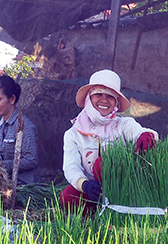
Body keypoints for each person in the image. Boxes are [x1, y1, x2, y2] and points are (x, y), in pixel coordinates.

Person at [60, 69, 158, 213]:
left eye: (110, 96)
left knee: (102, 164)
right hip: (94, 190)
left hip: (124, 188)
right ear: (89, 98)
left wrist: (146, 136)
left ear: (116, 101)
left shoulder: (124, 124)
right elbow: (71, 167)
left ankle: (121, 206)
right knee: (67, 197)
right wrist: (85, 184)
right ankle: (99, 210)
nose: (104, 100)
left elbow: (140, 132)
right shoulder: (73, 134)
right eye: (98, 94)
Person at [0, 75, 39, 185]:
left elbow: (31, 161)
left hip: (23, 187)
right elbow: (0, 157)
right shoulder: (0, 126)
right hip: (5, 184)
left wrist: (0, 164)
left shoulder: (25, 126)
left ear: (12, 99)